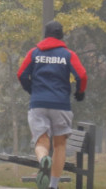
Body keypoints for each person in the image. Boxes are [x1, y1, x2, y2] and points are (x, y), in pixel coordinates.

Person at [16, 20, 87, 189]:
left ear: (45, 35)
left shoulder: (34, 53)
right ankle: (53, 186)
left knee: (41, 142)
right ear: (61, 36)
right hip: (61, 104)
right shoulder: (68, 54)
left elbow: (21, 74)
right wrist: (80, 92)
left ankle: (43, 160)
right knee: (60, 145)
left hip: (38, 103)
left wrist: (31, 89)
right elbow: (82, 75)